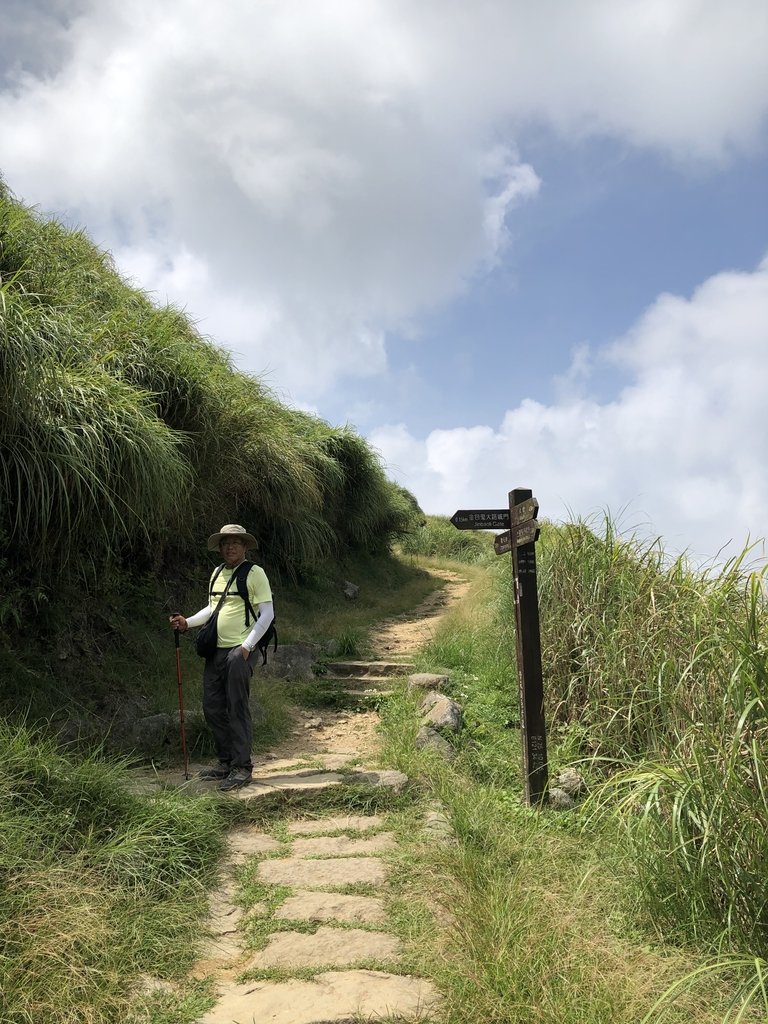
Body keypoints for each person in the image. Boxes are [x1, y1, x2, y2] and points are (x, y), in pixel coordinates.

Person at [170, 524, 274, 792]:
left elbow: (267, 613)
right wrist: (187, 623)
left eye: (236, 542)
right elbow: (212, 609)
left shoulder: (255, 573)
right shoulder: (217, 573)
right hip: (216, 651)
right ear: (219, 547)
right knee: (212, 706)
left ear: (245, 547)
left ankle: (242, 767)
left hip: (240, 651)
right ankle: (226, 761)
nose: (230, 547)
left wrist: (247, 647)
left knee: (236, 707)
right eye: (226, 542)